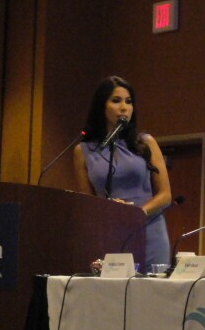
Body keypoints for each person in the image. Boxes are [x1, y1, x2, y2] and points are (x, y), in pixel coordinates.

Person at [73, 76, 173, 268]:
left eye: (129, 102)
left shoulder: (145, 143)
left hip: (148, 231)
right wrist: (111, 210)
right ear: (101, 106)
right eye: (116, 101)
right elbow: (88, 203)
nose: (124, 108)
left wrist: (134, 213)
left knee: (153, 286)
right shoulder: (83, 151)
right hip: (110, 232)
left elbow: (165, 195)